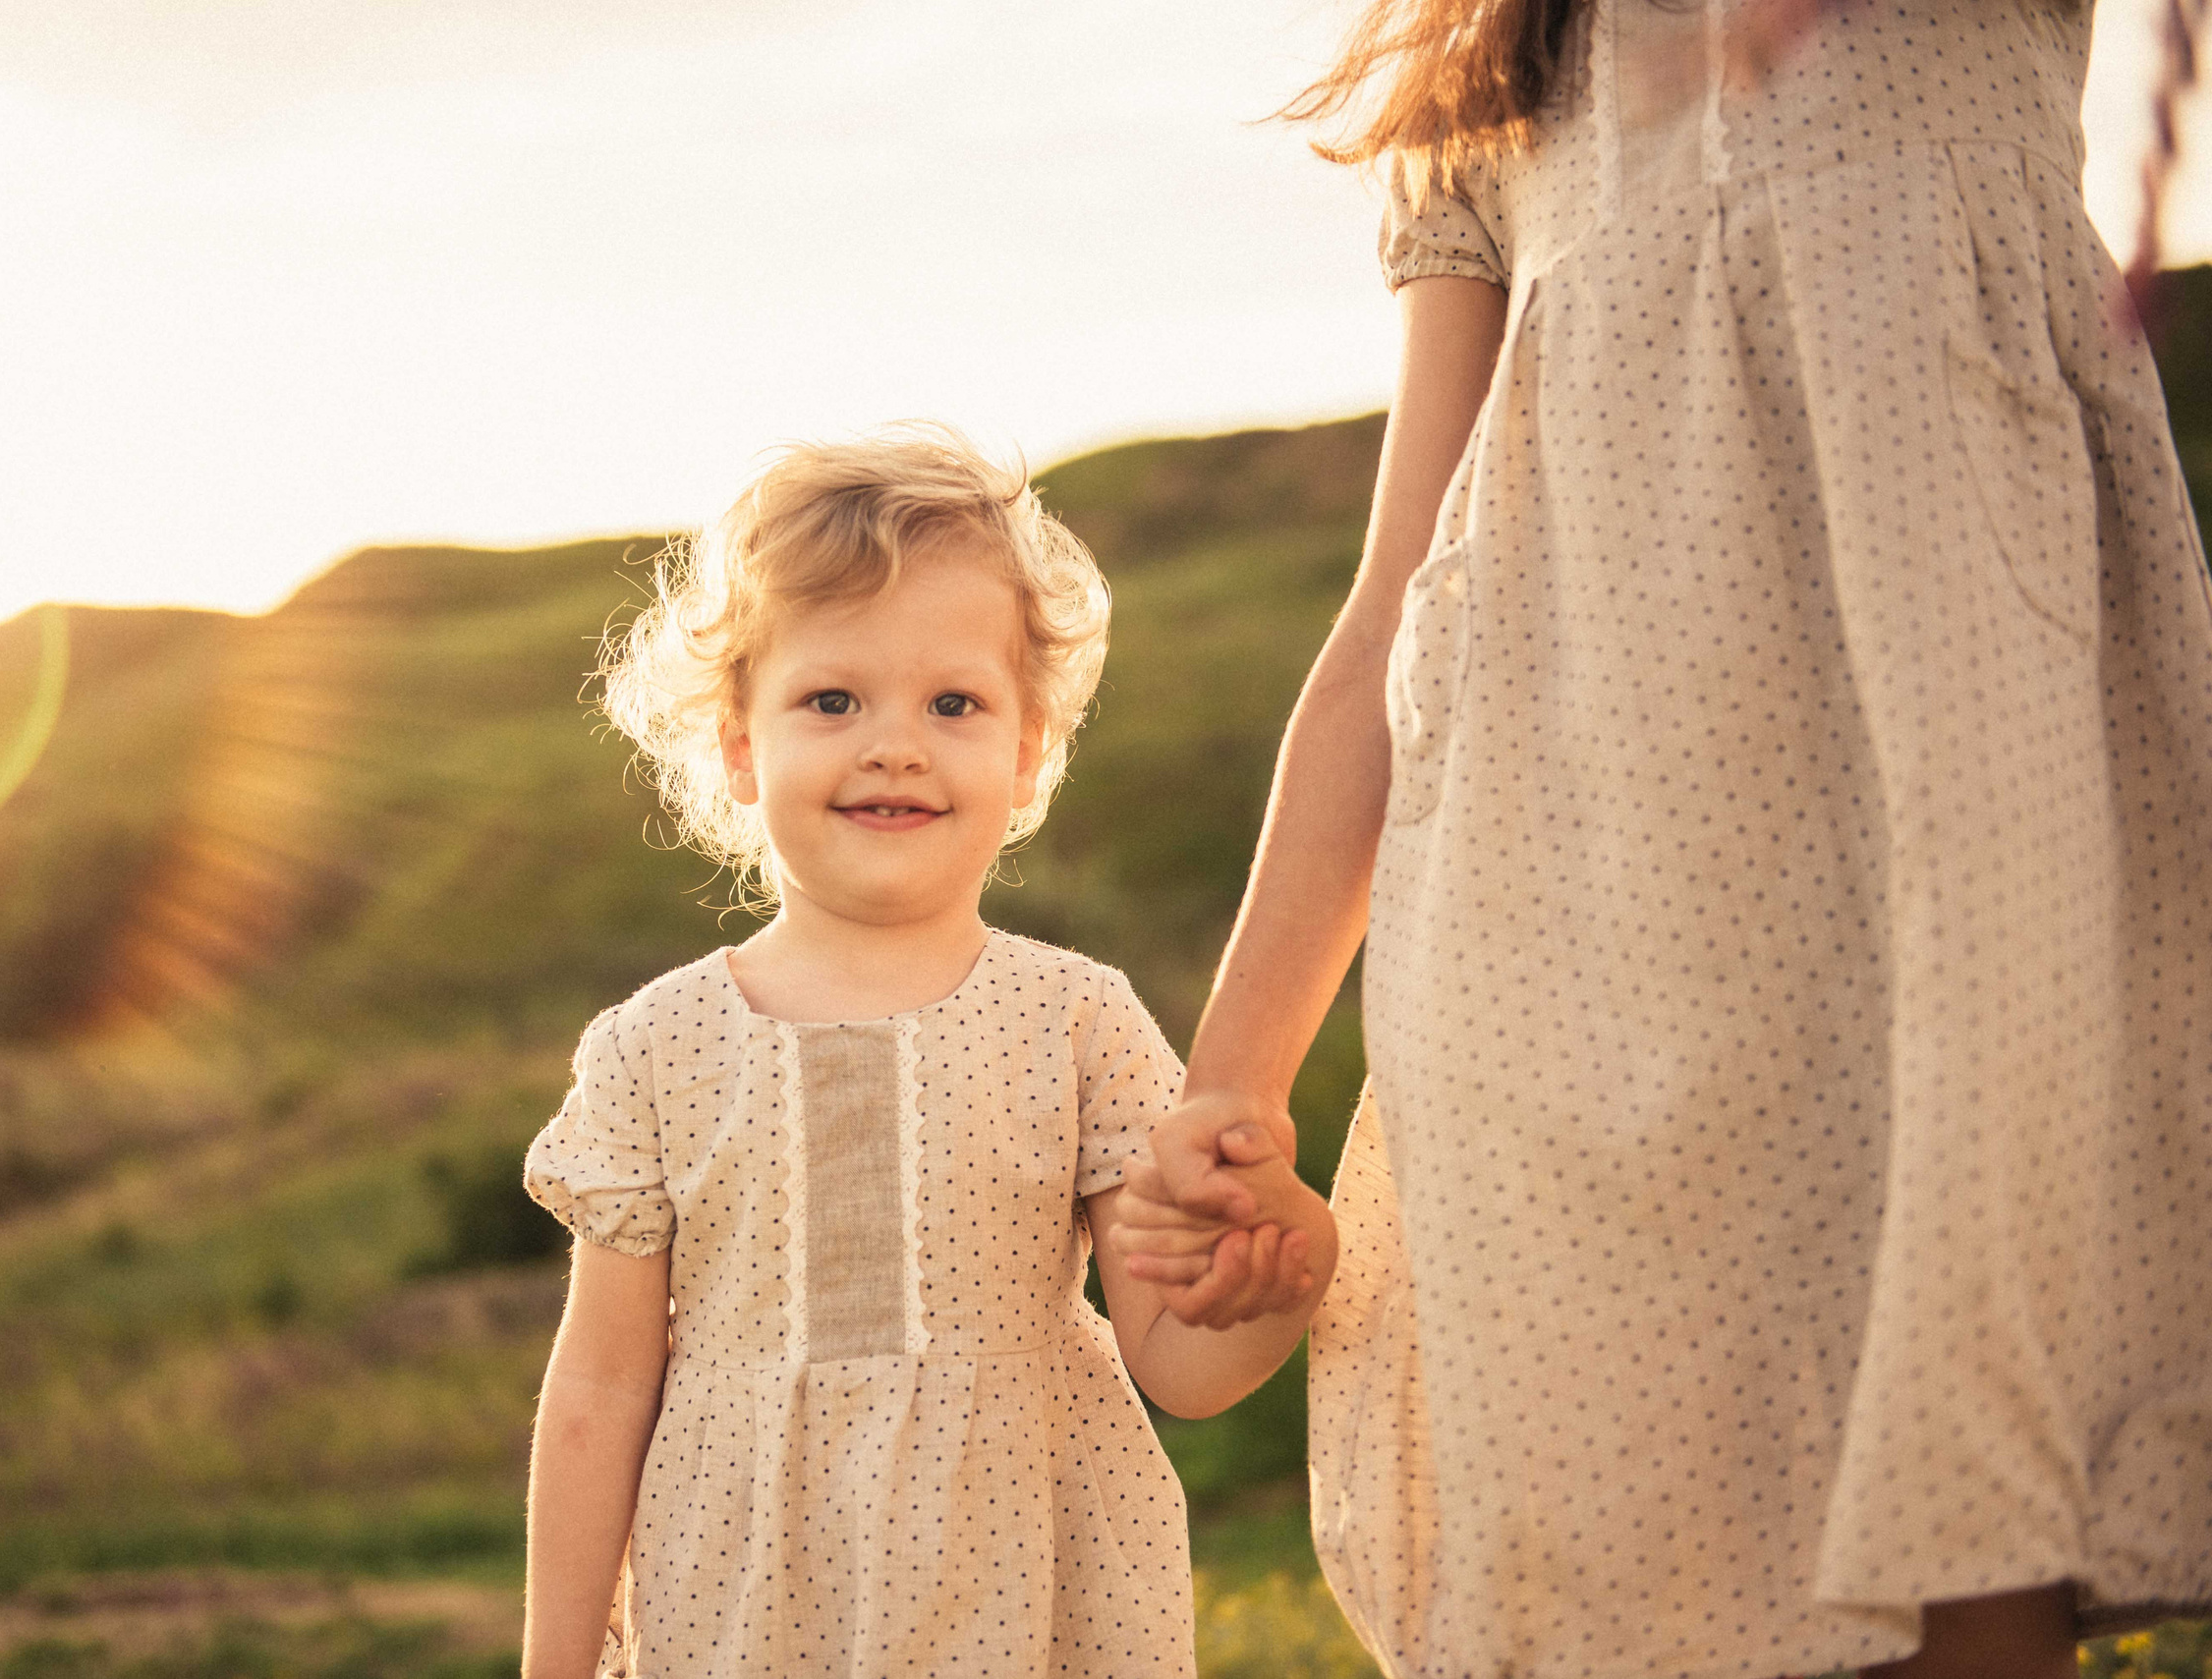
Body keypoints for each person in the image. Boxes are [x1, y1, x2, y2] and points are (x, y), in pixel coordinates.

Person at [1109, 1, 2212, 1677]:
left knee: (1968, 1499)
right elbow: (1390, 609)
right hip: (1568, 911)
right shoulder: (1492, 93)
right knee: (1640, 1533)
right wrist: (1231, 1086)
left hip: (1950, 862)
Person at [515, 424, 1336, 1679]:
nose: (893, 743)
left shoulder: (1077, 1021)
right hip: (742, 1618)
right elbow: (599, 1392)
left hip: (1023, 1605)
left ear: (1025, 748)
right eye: (831, 699)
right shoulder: (653, 1047)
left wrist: (1283, 1267)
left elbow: (1180, 1364)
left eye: (953, 703)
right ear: (738, 745)